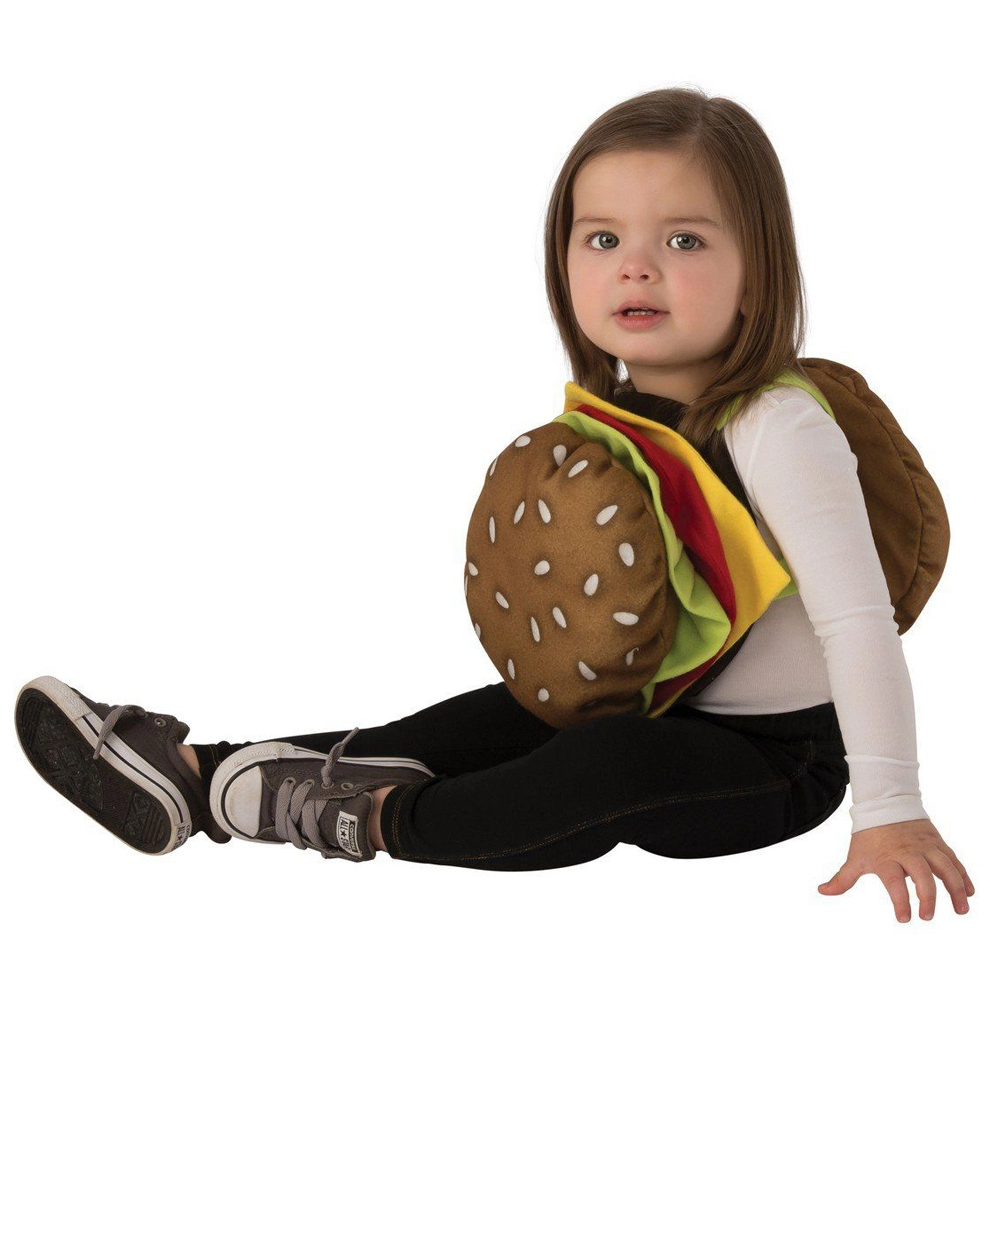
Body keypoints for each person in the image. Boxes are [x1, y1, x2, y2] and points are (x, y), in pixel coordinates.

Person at [15, 86, 975, 923]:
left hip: (774, 760)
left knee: (598, 774)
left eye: (683, 240)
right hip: (650, 701)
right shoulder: (615, 417)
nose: (636, 265)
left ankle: (370, 819)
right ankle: (197, 779)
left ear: (758, 270)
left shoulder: (777, 425)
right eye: (603, 239)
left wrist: (890, 808)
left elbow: (858, 623)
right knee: (475, 726)